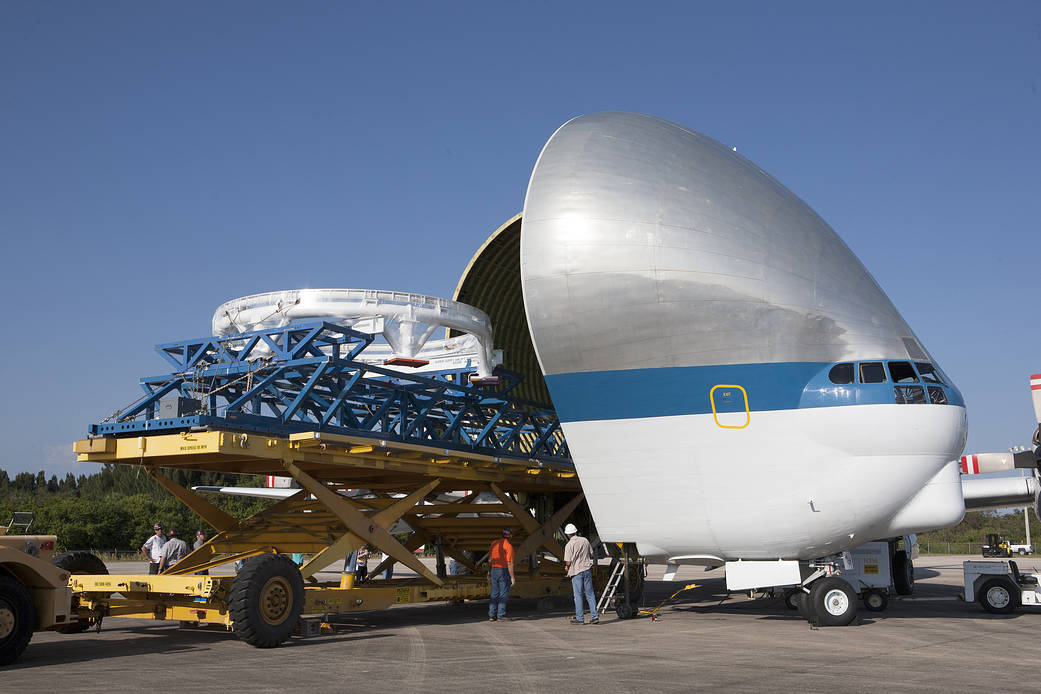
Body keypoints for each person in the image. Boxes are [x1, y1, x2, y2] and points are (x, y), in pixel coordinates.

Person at [563, 523, 599, 625]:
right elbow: (591, 554)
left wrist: (567, 568)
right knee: (590, 594)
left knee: (578, 595)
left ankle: (580, 618)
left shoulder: (569, 545)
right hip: (587, 569)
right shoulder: (585, 540)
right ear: (575, 531)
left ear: (567, 534)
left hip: (576, 572)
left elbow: (568, 562)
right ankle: (595, 616)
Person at [487, 527, 515, 621]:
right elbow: (510, 563)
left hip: (494, 570)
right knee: (503, 594)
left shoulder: (494, 543)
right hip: (503, 571)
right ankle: (501, 615)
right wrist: (512, 577)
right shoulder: (509, 546)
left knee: (494, 593)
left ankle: (492, 615)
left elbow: (490, 560)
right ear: (510, 535)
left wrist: (488, 571)